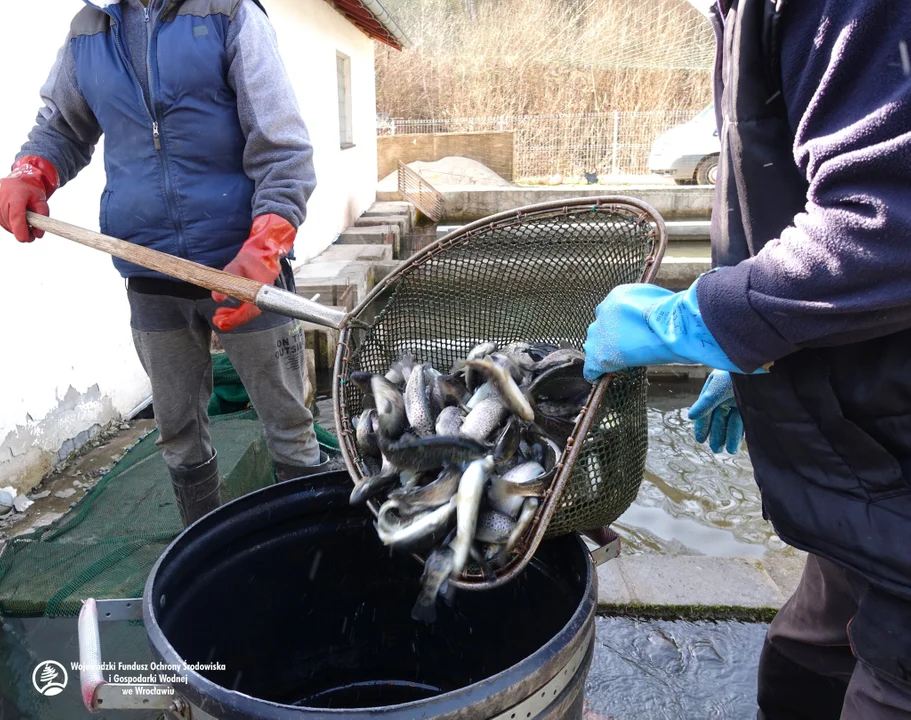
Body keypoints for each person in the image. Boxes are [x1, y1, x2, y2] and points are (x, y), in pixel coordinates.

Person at [583, 0, 911, 717]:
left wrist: (701, 317)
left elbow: (885, 225)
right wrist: (750, 350)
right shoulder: (745, 13)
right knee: (801, 661)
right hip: (864, 462)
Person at [0, 0, 326, 527]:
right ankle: (201, 544)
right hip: (148, 269)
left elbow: (282, 147)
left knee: (287, 421)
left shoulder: (228, 13)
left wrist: (267, 244)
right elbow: (62, 127)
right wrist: (31, 172)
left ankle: (314, 541)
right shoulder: (89, 28)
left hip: (244, 268)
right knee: (177, 432)